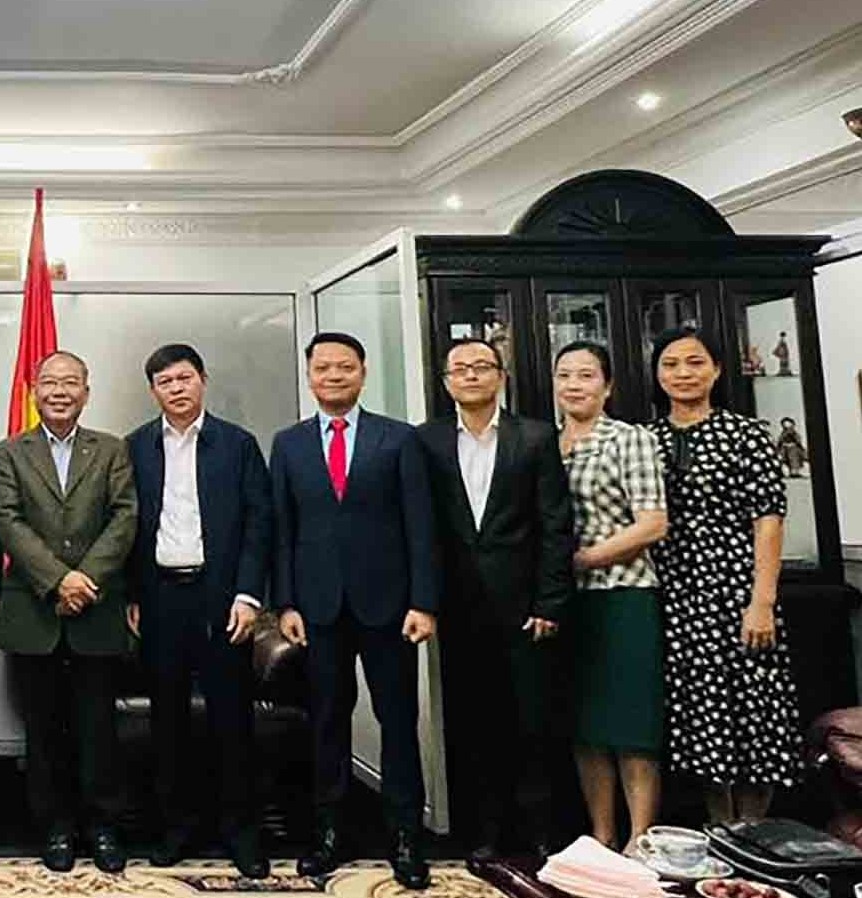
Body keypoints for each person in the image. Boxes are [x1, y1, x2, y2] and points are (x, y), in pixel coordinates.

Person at [269, 331, 437, 890]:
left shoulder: (399, 438)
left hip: (389, 605)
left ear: (363, 373)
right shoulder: (289, 444)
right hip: (317, 607)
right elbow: (283, 531)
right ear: (309, 376)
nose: (334, 376)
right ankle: (329, 834)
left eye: (345, 366)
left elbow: (420, 526)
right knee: (326, 721)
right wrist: (285, 602)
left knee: (398, 721)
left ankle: (406, 836)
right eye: (323, 368)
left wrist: (423, 601)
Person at [418, 338, 574, 863]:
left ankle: (539, 830)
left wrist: (550, 602)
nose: (470, 375)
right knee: (474, 722)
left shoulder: (535, 437)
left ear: (500, 376)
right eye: (459, 369)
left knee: (533, 721)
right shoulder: (429, 441)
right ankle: (485, 831)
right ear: (446, 382)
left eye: (481, 366)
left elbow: (555, 525)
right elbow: (424, 529)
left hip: (525, 605)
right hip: (458, 606)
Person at [123, 343, 272, 879]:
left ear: (202, 380)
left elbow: (259, 523)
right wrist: (132, 594)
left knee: (232, 718)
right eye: (165, 382)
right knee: (168, 721)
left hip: (222, 597)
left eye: (184, 378)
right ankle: (175, 828)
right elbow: (125, 524)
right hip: (161, 597)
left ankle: (241, 831)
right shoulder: (135, 447)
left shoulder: (237, 444)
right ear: (153, 391)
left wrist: (248, 595)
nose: (176, 389)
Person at [647, 326, 800, 823]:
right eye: (670, 364)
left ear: (716, 370)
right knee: (701, 714)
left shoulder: (746, 435)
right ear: (657, 375)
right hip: (676, 596)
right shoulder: (648, 439)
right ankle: (720, 828)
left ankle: (753, 831)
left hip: (739, 589)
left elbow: (769, 519)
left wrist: (762, 600)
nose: (683, 374)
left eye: (695, 362)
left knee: (754, 710)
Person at [0, 351, 138, 875]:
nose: (59, 391)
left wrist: (85, 580)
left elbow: (125, 517)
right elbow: (7, 521)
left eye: (70, 382)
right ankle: (54, 827)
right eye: (49, 382)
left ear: (86, 392)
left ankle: (102, 826)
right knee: (43, 729)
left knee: (99, 728)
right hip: (34, 610)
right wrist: (58, 579)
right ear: (34, 391)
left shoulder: (112, 449)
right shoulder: (8, 452)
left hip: (96, 609)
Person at [552, 341, 668, 852]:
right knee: (587, 725)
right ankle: (601, 835)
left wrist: (584, 559)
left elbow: (652, 524)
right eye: (565, 375)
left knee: (632, 724)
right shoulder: (545, 443)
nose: (574, 385)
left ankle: (640, 839)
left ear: (608, 386)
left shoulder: (629, 439)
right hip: (567, 602)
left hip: (623, 595)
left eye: (586, 375)